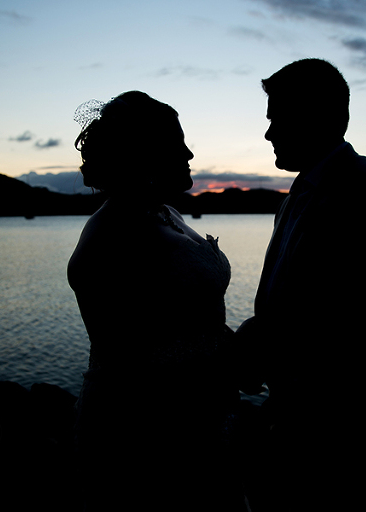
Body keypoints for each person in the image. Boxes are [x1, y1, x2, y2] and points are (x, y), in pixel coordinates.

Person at [236, 59, 366, 509]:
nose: (268, 134)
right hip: (292, 429)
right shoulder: (294, 198)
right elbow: (295, 302)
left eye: (276, 120)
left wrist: (274, 349)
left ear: (318, 117)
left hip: (355, 441)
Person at [67, 91, 245, 511]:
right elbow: (132, 354)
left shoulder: (163, 212)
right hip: (142, 429)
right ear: (142, 154)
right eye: (176, 143)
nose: (188, 152)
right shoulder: (111, 238)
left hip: (199, 417)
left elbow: (182, 317)